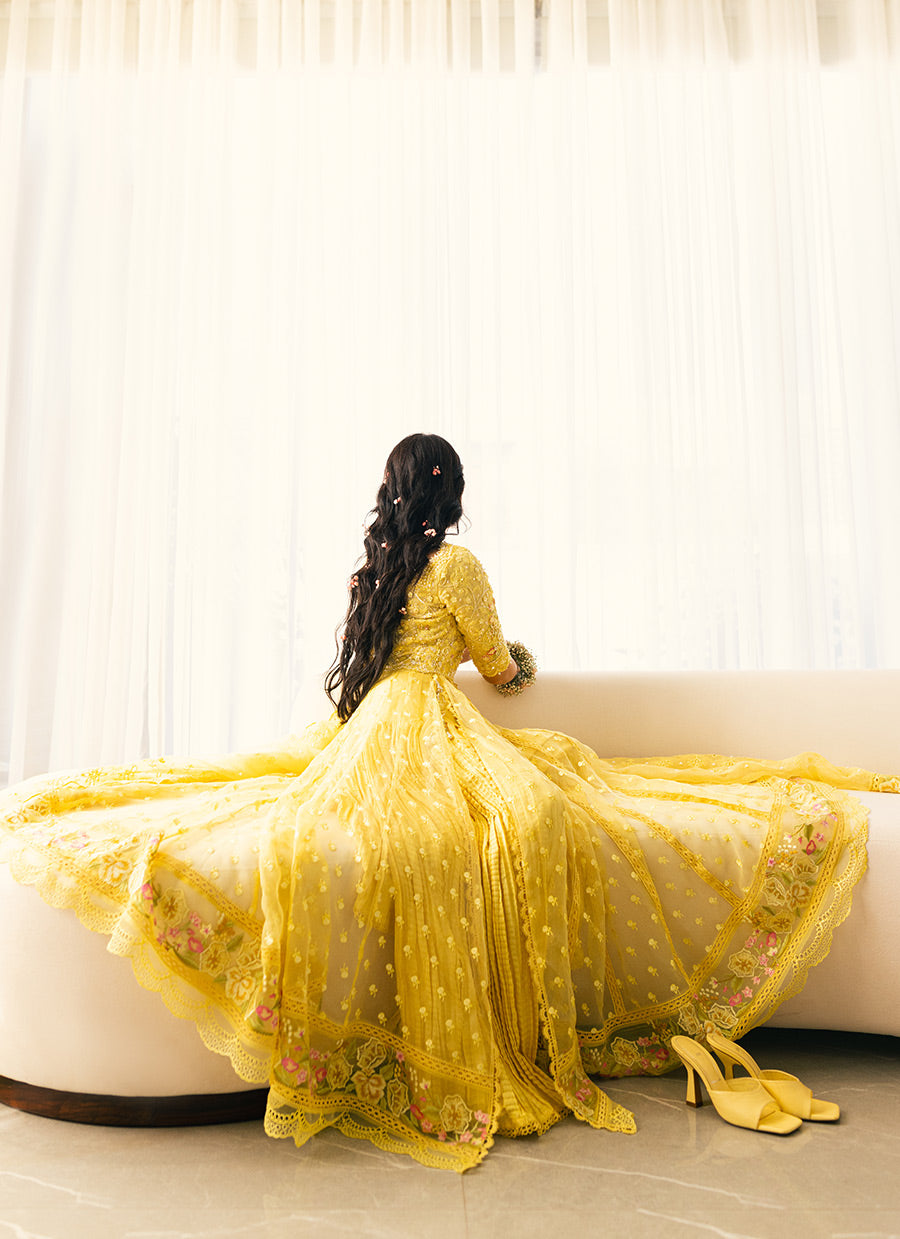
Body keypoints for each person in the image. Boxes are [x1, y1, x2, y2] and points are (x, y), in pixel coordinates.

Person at [0, 432, 891, 1171]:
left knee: (365, 815)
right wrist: (524, 665)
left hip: (370, 727)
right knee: (530, 812)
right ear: (451, 494)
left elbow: (366, 668)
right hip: (431, 718)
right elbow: (497, 666)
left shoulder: (377, 568)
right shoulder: (458, 564)